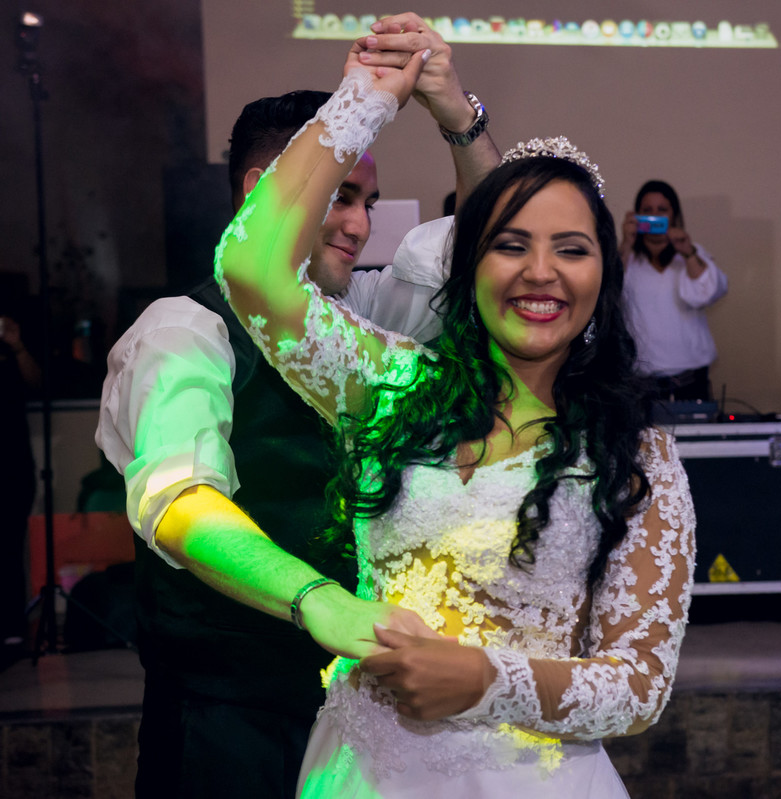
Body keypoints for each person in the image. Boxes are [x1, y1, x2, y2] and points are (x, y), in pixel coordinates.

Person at [213, 31, 696, 797]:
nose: (540, 272)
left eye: (571, 249)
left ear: (603, 275)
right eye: (510, 245)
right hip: (362, 774)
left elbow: (638, 686)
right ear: (469, 266)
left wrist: (482, 677)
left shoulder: (636, 455)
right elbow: (250, 269)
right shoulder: (396, 387)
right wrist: (367, 97)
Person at [95, 16, 501, 797]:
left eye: (369, 201)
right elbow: (180, 503)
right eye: (342, 195)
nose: (360, 223)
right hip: (225, 721)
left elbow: (495, 254)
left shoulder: (367, 314)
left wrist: (461, 120)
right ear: (266, 192)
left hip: (357, 718)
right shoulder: (184, 329)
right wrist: (317, 600)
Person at [618, 180, 728, 402]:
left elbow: (710, 292)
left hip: (690, 382)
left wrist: (687, 252)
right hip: (640, 384)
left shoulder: (692, 255)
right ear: (637, 216)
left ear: (674, 215)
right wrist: (626, 243)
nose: (655, 216)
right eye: (647, 211)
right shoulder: (626, 258)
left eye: (662, 210)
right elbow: (607, 294)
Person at [0, 314, 39, 651]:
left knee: (9, 546)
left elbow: (37, 385)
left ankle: (12, 624)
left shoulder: (12, 348)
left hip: (11, 463)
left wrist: (16, 345)